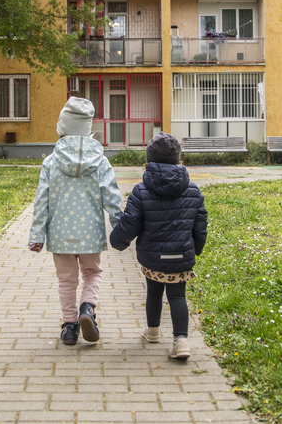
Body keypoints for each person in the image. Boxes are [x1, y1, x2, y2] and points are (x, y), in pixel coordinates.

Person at [29, 97, 123, 345]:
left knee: (66, 280)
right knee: (92, 272)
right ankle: (87, 308)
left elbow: (41, 201)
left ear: (63, 127)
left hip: (60, 234)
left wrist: (37, 235)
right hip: (91, 232)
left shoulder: (51, 162)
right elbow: (112, 196)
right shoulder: (101, 161)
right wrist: (120, 227)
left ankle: (70, 327)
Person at [109, 132, 207, 360]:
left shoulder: (141, 191)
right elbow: (200, 225)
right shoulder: (193, 190)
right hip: (181, 255)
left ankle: (152, 331)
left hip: (153, 257)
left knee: (153, 291)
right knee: (177, 296)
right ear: (180, 161)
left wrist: (117, 241)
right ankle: (181, 341)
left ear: (148, 162)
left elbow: (130, 224)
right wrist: (197, 248)